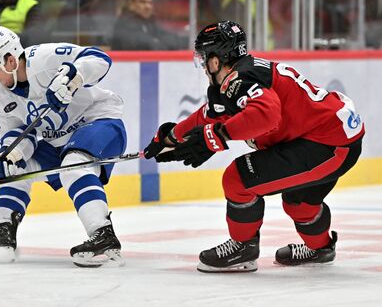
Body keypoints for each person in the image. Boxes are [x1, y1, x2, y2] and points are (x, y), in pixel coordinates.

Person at [144, 20, 364, 273]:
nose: (203, 66)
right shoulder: (241, 76)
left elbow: (267, 115)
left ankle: (243, 248)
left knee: (238, 179)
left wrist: (217, 136)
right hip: (336, 140)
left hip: (326, 145)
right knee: (299, 203)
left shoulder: (240, 79)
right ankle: (321, 248)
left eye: (204, 59)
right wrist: (170, 136)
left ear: (216, 59)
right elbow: (210, 114)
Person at [0, 25, 127, 268]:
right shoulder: (1, 96)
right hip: (57, 141)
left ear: (9, 60)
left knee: (74, 163)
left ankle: (104, 236)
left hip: (99, 122)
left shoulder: (45, 58)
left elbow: (100, 58)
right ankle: (1, 233)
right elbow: (18, 133)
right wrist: (10, 154)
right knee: (14, 169)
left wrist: (71, 78)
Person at [111, 0, 186, 50]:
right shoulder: (124, 23)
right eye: (142, 2)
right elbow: (143, 45)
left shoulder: (150, 22)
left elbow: (174, 40)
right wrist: (157, 42)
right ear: (132, 4)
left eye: (150, 2)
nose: (148, 6)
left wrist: (157, 42)